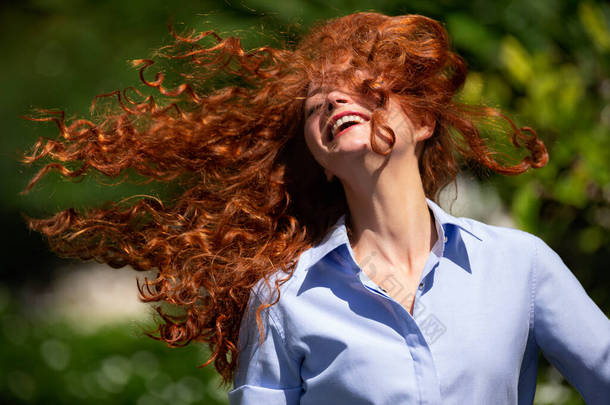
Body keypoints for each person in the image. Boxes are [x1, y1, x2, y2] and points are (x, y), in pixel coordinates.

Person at [23, 11, 609, 405]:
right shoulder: (283, 297)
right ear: (322, 159)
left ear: (424, 121)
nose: (333, 100)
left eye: (362, 88)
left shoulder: (520, 264)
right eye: (316, 104)